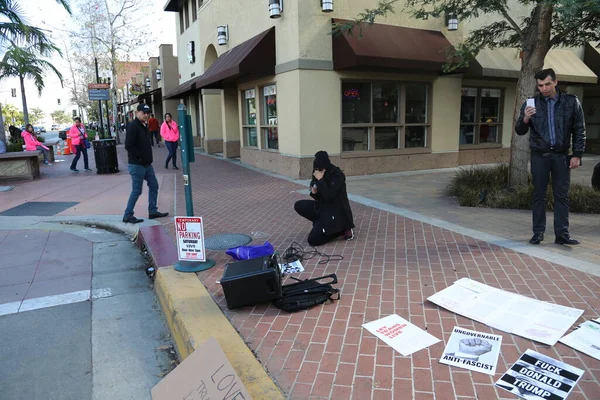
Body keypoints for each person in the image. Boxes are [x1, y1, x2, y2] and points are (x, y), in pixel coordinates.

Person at [515, 68, 586, 245]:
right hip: (540, 155)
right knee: (539, 195)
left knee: (561, 196)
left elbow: (579, 130)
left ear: (555, 82)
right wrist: (525, 118)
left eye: (547, 84)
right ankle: (538, 233)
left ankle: (562, 234)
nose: (544, 88)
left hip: (561, 156)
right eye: (540, 85)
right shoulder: (531, 103)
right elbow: (520, 130)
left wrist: (577, 154)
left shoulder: (571, 102)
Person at [294, 151, 355, 246]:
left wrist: (321, 180)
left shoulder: (337, 175)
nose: (318, 171)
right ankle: (320, 223)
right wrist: (314, 192)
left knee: (313, 240)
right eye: (316, 169)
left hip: (336, 212)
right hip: (323, 208)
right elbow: (318, 196)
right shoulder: (317, 172)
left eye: (320, 169)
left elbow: (329, 196)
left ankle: (341, 230)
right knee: (299, 205)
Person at [122, 103, 169, 224]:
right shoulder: (133, 126)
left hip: (147, 165)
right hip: (137, 165)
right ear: (138, 112)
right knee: (137, 190)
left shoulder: (144, 126)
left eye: (148, 113)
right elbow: (129, 145)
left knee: (154, 186)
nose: (146, 115)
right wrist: (139, 158)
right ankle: (128, 215)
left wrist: (146, 159)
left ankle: (153, 211)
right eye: (144, 113)